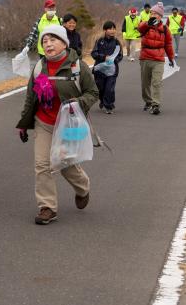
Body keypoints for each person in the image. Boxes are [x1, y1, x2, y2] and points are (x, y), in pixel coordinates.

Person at [16, 25, 98, 225]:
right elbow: (31, 98)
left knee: (66, 163)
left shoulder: (77, 66)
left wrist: (78, 102)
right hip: (44, 123)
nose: (48, 44)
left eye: (53, 39)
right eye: (45, 41)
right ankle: (47, 207)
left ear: (64, 43)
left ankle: (83, 187)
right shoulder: (39, 68)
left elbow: (93, 93)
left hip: (69, 125)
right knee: (43, 165)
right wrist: (23, 123)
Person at [138, 2, 175, 115]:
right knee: (145, 83)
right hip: (145, 58)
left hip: (158, 59)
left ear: (160, 16)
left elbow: (168, 44)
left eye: (156, 14)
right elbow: (139, 29)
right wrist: (148, 24)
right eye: (152, 13)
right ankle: (148, 101)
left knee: (156, 82)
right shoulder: (145, 25)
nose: (153, 15)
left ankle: (155, 105)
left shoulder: (165, 28)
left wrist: (171, 58)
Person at [91, 21, 123, 114]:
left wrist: (114, 60)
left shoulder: (117, 42)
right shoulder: (99, 41)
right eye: (110, 29)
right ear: (105, 30)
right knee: (100, 88)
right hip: (100, 69)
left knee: (109, 88)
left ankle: (109, 105)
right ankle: (102, 100)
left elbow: (120, 55)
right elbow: (94, 53)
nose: (112, 31)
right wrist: (104, 57)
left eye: (114, 29)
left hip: (112, 70)